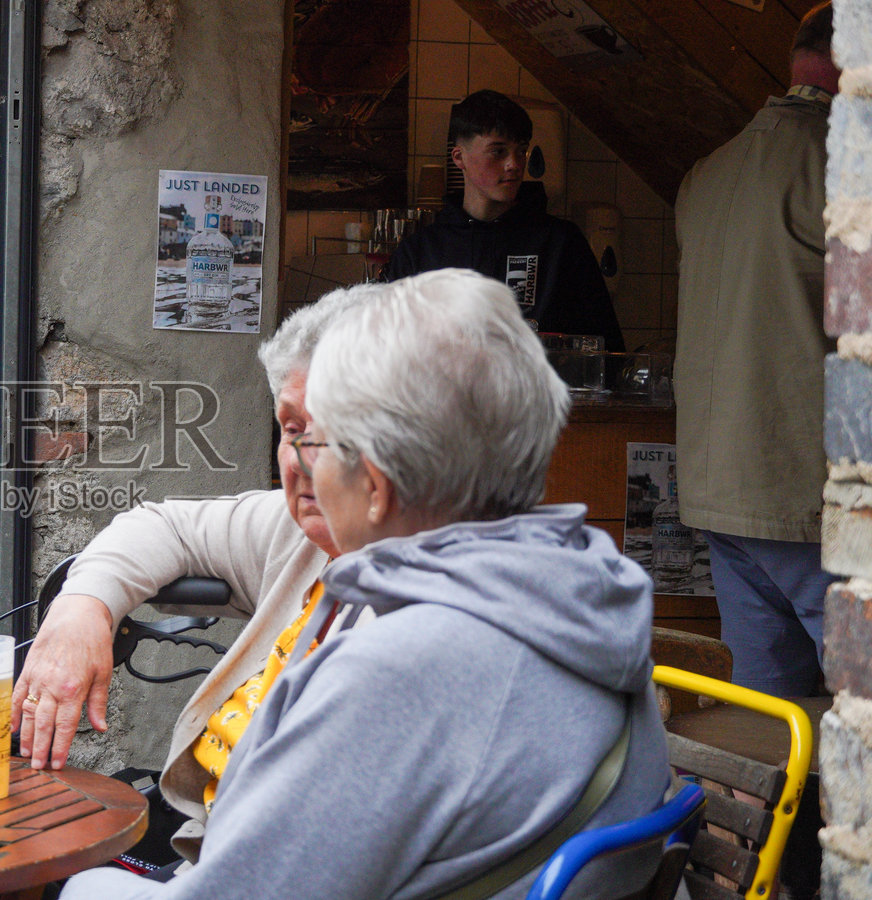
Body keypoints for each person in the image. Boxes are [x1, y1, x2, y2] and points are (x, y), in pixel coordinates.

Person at [61, 269, 670, 899]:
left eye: (318, 439)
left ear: (374, 486)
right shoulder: (579, 591)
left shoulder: (397, 673)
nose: (300, 466)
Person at [15, 286, 386, 863]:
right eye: (290, 428)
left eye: (334, 430)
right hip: (201, 828)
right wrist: (81, 605)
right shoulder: (306, 531)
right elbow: (167, 526)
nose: (302, 460)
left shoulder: (424, 610)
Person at [673, 3, 837, 697]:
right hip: (812, 495)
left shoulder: (707, 172)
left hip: (720, 493)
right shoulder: (847, 167)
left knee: (771, 725)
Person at [383, 89, 624, 351]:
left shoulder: (560, 244)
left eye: (521, 151)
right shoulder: (421, 253)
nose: (514, 164)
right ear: (459, 158)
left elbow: (606, 352)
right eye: (498, 152)